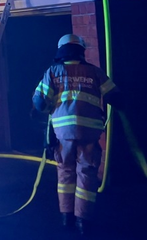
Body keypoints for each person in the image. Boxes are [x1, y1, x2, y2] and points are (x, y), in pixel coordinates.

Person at [32, 33, 119, 236]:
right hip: (89, 131)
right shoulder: (94, 72)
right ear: (81, 50)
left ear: (61, 50)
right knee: (86, 174)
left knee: (65, 173)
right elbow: (116, 97)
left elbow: (39, 102)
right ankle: (83, 220)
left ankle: (66, 217)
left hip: (63, 133)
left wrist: (48, 110)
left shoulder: (53, 71)